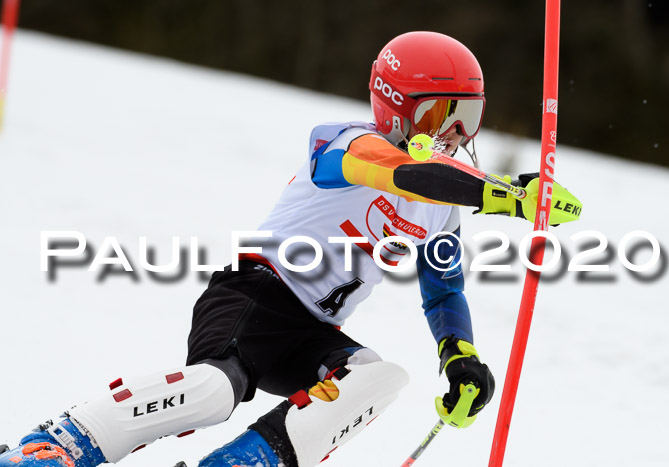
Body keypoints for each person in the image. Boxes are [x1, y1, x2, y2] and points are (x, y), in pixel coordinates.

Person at [0, 31, 581, 467]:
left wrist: (459, 355)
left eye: (469, 117)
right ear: (397, 106)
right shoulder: (345, 143)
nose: (456, 135)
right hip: (253, 297)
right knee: (213, 391)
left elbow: (443, 285)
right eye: (442, 115)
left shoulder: (443, 204)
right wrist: (504, 196)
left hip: (310, 332)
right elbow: (402, 176)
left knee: (378, 378)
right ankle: (56, 445)